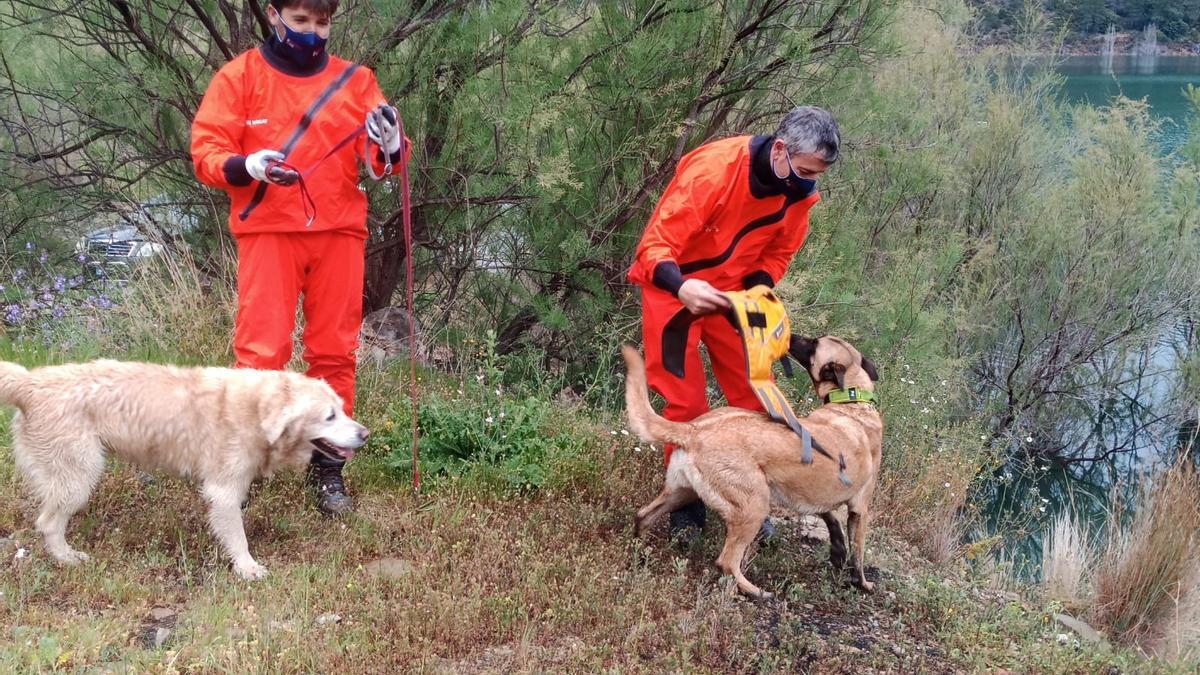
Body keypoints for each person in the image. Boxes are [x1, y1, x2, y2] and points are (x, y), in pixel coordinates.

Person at [190, 0, 408, 515]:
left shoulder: (356, 81)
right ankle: (242, 467)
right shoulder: (239, 76)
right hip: (268, 233)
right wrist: (249, 165)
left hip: (338, 232)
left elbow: (384, 162)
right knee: (261, 356)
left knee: (335, 353)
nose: (314, 33)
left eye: (324, 23)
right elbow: (205, 152)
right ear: (274, 14)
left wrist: (393, 142)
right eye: (303, 21)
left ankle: (329, 469)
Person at [627, 106, 840, 538]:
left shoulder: (799, 193)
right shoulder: (714, 171)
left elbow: (778, 252)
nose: (809, 183)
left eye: (816, 175)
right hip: (675, 293)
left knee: (754, 393)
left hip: (733, 298)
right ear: (780, 151)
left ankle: (749, 497)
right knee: (685, 404)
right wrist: (681, 285)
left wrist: (759, 291)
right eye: (804, 171)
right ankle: (686, 509)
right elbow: (654, 246)